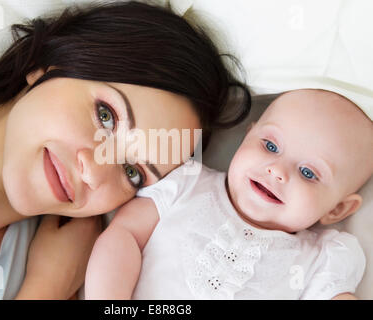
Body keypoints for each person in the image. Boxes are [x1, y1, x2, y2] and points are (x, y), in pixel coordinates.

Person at [0, 1, 251, 299]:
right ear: (46, 65)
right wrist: (47, 287)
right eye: (105, 116)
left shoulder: (67, 257)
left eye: (132, 172)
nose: (93, 171)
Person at [85, 88, 372, 300]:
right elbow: (124, 236)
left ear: (337, 210)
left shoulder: (319, 259)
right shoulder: (186, 184)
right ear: (248, 136)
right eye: (270, 147)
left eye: (308, 173)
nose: (277, 171)